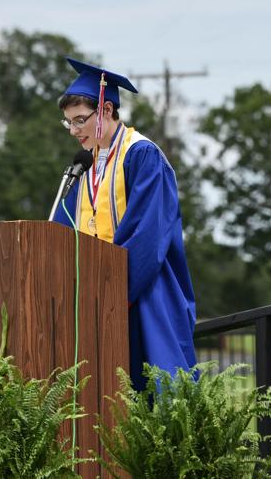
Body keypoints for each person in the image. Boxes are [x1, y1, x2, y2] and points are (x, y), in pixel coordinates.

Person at [51, 57, 197, 390]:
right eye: (68, 123)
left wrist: (109, 292)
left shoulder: (141, 155)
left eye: (79, 120)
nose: (74, 131)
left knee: (154, 392)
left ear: (105, 111)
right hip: (96, 300)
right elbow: (61, 231)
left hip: (143, 294)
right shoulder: (86, 166)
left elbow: (147, 237)